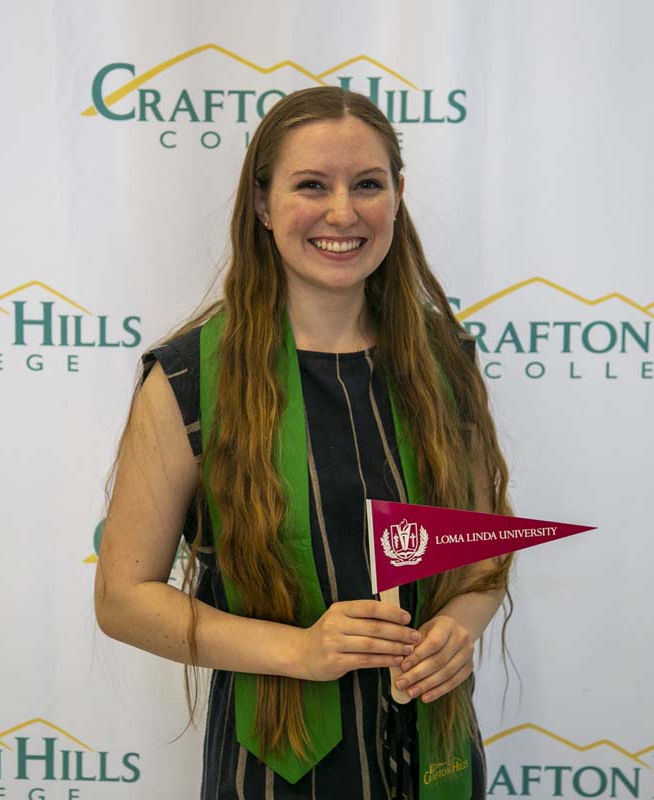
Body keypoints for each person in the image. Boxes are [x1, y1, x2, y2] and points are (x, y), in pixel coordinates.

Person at [94, 86, 514, 799]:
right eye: (311, 185)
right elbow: (123, 597)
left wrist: (459, 626)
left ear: (398, 196)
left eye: (368, 185)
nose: (343, 213)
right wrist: (300, 649)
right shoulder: (190, 379)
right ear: (261, 204)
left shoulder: (445, 360)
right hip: (276, 773)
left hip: (438, 759)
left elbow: (480, 545)